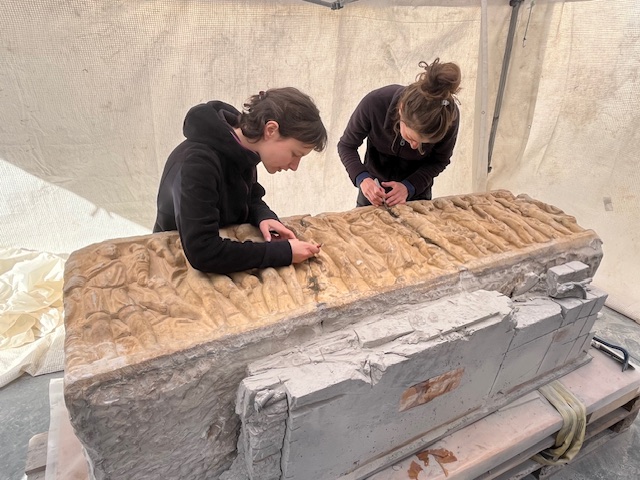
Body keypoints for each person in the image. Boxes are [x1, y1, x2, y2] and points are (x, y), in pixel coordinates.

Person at [153, 87, 327, 274]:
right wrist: (284, 253)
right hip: (172, 260)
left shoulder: (243, 149)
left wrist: (264, 216)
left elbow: (249, 195)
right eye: (295, 154)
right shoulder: (197, 164)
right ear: (271, 130)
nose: (294, 166)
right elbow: (203, 250)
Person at [338, 58, 461, 207]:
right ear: (401, 109)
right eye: (410, 137)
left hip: (417, 192)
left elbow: (439, 160)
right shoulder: (375, 103)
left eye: (425, 143)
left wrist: (409, 187)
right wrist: (362, 178)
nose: (415, 146)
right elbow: (346, 145)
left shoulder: (446, 117)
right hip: (373, 191)